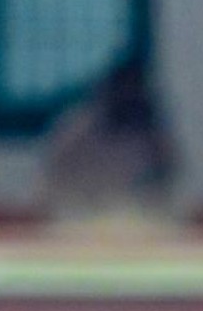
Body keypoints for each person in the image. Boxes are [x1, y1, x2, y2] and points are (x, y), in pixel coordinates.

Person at [40, 56, 179, 226]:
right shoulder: (77, 127)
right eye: (124, 90)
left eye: (135, 91)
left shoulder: (150, 132)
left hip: (135, 224)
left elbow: (168, 178)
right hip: (80, 219)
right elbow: (53, 178)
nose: (129, 96)